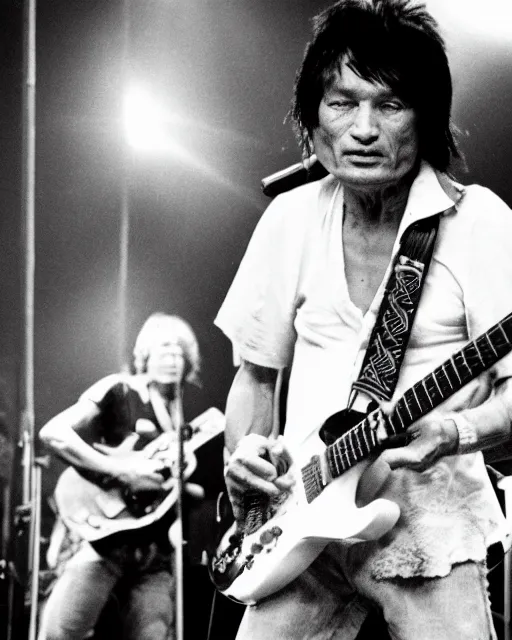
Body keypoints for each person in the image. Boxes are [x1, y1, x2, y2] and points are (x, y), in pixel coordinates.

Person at [215, 1, 512, 639]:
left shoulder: (479, 224)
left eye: (390, 105)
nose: (364, 129)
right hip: (297, 524)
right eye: (342, 103)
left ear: (426, 116)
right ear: (313, 118)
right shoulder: (289, 219)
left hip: (428, 528)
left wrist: (458, 430)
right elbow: (256, 378)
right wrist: (242, 455)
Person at [38, 312, 222, 640]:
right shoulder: (119, 390)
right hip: (104, 540)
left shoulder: (180, 422)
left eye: (180, 351)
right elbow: (54, 433)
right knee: (58, 633)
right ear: (145, 355)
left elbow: (176, 493)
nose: (172, 357)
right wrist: (124, 469)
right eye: (163, 349)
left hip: (155, 554)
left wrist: (181, 490)